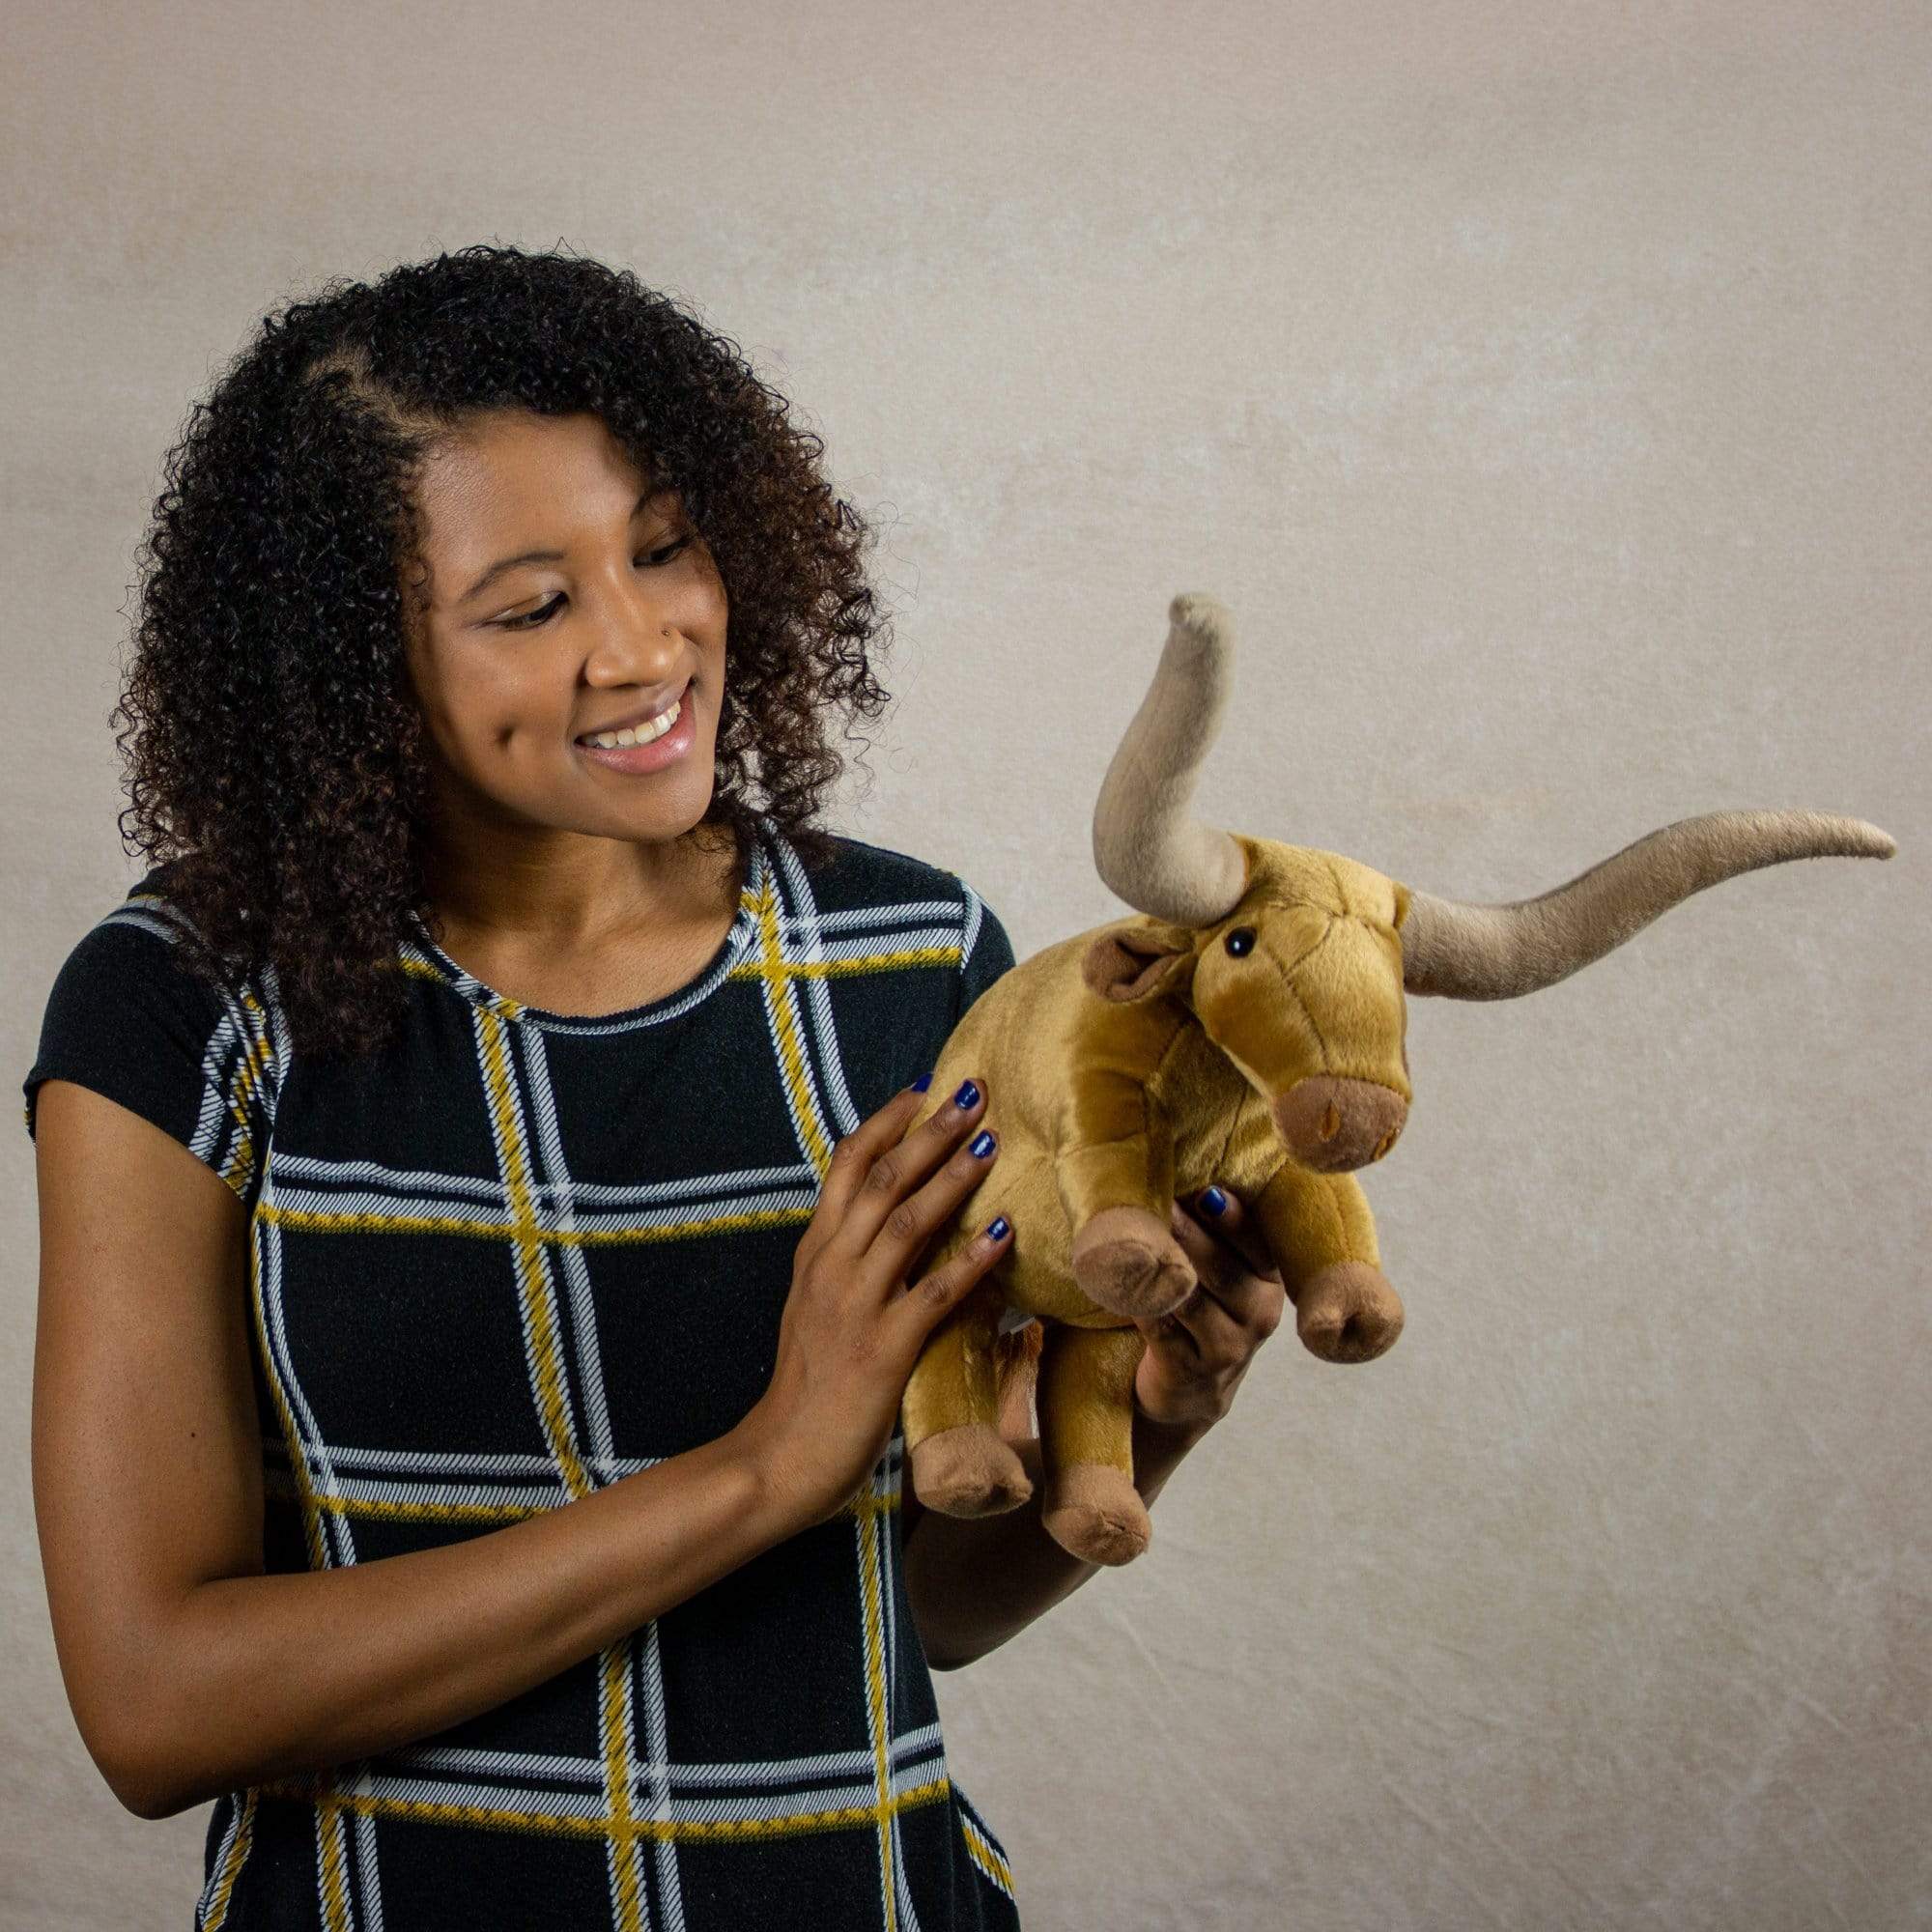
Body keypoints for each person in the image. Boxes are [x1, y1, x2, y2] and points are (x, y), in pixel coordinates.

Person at [22, 244, 1287, 1931]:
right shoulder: (184, 1005)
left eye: (665, 546)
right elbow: (156, 1700)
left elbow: (923, 1605)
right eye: (531, 606)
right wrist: (765, 1463)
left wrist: (1164, 1412)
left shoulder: (912, 955)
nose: (641, 647)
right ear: (349, 664)